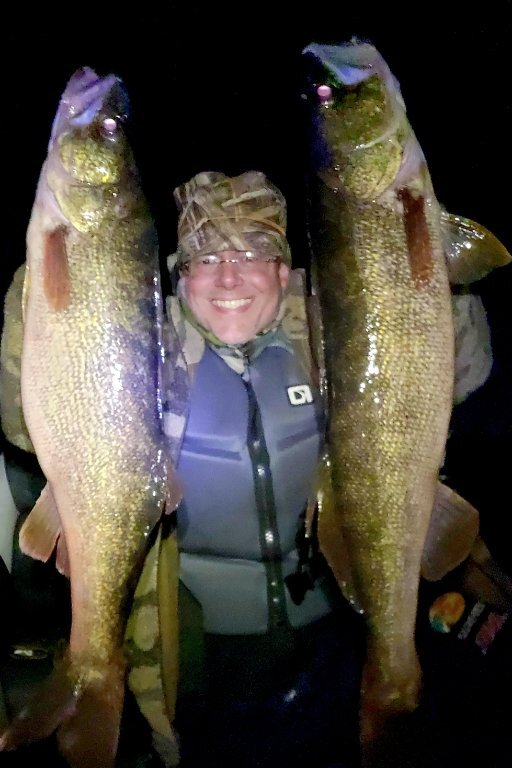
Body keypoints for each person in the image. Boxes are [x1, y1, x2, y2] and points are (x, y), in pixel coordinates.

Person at [124, 169, 367, 768]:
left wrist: (435, 286)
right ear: (181, 277)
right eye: (206, 258)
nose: (228, 277)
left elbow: (463, 372)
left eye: (252, 254)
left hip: (336, 634)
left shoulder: (334, 339)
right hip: (203, 657)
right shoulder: (143, 354)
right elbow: (25, 420)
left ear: (283, 273)